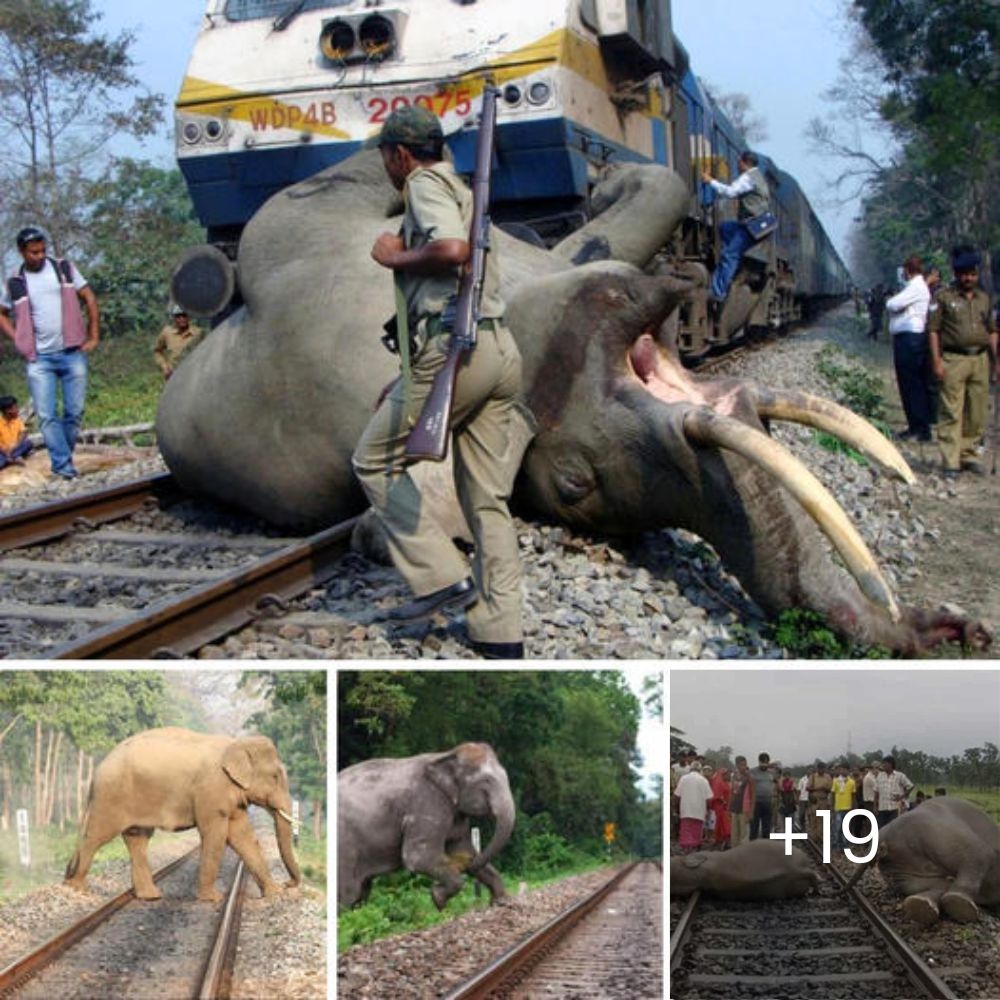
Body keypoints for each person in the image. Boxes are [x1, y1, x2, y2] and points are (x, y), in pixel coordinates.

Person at [351, 105, 535, 659]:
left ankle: (438, 576)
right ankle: (500, 630)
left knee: (375, 460)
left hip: (458, 349)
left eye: (386, 156)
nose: (387, 166)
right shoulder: (461, 186)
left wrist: (395, 256)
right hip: (499, 348)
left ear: (400, 154)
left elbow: (452, 251)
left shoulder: (425, 183)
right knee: (487, 500)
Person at [0, 226, 99, 479]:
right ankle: (64, 468)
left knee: (74, 413)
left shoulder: (63, 268)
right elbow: (2, 313)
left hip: (72, 351)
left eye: (43, 250)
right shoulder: (14, 281)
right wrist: (19, 339)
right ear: (22, 252)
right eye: (34, 252)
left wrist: (94, 334)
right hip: (39, 359)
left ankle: (63, 455)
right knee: (46, 416)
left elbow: (88, 296)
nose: (40, 256)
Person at [928, 246, 999, 478]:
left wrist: (995, 360)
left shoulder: (984, 299)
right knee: (951, 411)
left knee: (977, 412)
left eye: (972, 274)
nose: (968, 278)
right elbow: (933, 331)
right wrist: (937, 361)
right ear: (956, 274)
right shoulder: (943, 297)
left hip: (979, 359)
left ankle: (968, 455)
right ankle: (950, 461)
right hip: (953, 359)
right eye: (963, 274)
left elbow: (992, 330)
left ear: (977, 274)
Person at [700, 150, 772, 302]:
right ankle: (730, 266)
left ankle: (717, 292)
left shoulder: (748, 178)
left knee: (730, 255)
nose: (737, 164)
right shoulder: (758, 176)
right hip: (753, 225)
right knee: (725, 228)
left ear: (745, 163)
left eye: (739, 162)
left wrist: (710, 181)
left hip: (752, 226)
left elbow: (730, 192)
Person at [885, 255, 932, 442]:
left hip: (910, 340)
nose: (902, 273)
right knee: (909, 384)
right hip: (909, 339)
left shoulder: (916, 287)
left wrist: (895, 305)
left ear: (908, 269)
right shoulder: (915, 287)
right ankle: (916, 426)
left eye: (904, 269)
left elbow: (892, 304)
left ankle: (919, 429)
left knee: (911, 384)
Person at [154, 305, 203, 380]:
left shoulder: (197, 333)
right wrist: (164, 366)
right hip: (173, 375)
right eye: (178, 317)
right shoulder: (167, 332)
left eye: (184, 316)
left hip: (193, 375)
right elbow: (157, 351)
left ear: (188, 317)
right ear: (174, 318)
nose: (182, 319)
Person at [674, 762, 714, 853]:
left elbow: (676, 795)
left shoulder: (684, 779)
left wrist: (675, 808)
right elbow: (709, 798)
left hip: (685, 811)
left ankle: (686, 850)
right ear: (700, 770)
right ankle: (694, 851)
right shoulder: (704, 780)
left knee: (686, 831)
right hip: (699, 812)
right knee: (696, 832)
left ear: (690, 769)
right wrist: (707, 810)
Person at [875, 755, 914, 827]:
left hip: (894, 808)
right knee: (881, 829)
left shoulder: (899, 776)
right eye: (883, 763)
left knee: (893, 829)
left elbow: (910, 786)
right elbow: (876, 792)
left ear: (891, 764)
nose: (883, 765)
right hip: (882, 808)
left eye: (885, 763)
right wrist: (875, 806)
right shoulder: (880, 776)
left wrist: (901, 797)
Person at [0, 395, 34, 469]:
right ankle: (12, 458)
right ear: (7, 411)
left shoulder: (17, 420)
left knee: (28, 443)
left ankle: (11, 459)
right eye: (15, 408)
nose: (18, 410)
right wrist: (6, 452)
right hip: (3, 450)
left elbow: (23, 432)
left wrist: (16, 444)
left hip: (15, 447)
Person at [728, 755, 754, 848]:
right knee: (734, 833)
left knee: (744, 834)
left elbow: (753, 795)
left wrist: (751, 811)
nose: (744, 767)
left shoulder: (749, 777)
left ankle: (743, 855)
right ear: (737, 765)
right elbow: (731, 792)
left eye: (745, 765)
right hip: (734, 808)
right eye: (741, 765)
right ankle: (734, 853)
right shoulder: (734, 777)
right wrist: (729, 808)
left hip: (744, 809)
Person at [748, 752, 774, 841]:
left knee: (766, 827)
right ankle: (752, 846)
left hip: (768, 802)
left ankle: (765, 846)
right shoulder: (752, 772)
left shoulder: (771, 772)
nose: (764, 765)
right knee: (754, 826)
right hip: (756, 803)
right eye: (762, 762)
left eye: (766, 762)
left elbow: (779, 766)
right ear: (759, 762)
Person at [830, 763, 856, 850]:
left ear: (848, 771)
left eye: (844, 769)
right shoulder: (835, 781)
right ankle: (836, 844)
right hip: (838, 808)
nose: (842, 771)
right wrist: (832, 807)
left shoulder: (852, 782)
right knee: (837, 828)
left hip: (848, 808)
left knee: (845, 828)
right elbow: (833, 794)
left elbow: (853, 796)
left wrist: (853, 807)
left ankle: (844, 845)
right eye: (841, 769)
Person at [807, 762, 833, 842]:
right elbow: (808, 788)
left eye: (822, 768)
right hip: (815, 800)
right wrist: (818, 788)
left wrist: (825, 789)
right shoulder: (813, 777)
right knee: (814, 819)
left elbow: (830, 789)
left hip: (824, 800)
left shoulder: (828, 777)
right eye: (819, 768)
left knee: (823, 820)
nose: (820, 770)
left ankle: (821, 837)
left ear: (824, 769)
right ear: (817, 768)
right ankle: (814, 837)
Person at [710, 766, 732, 848]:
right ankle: (724, 840)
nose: (729, 776)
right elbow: (717, 796)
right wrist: (724, 802)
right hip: (721, 806)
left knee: (721, 823)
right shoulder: (719, 783)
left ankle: (720, 840)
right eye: (728, 774)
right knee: (724, 823)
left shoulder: (726, 783)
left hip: (725, 806)